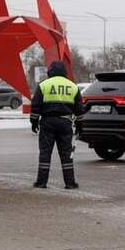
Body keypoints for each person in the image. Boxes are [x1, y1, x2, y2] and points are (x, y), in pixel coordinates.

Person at [30, 60, 85, 189]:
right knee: (66, 154)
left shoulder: (44, 85)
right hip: (65, 123)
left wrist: (34, 121)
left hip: (47, 122)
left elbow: (36, 105)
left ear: (50, 71)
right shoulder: (73, 86)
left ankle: (41, 182)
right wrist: (79, 126)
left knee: (45, 152)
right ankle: (70, 183)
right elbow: (79, 109)